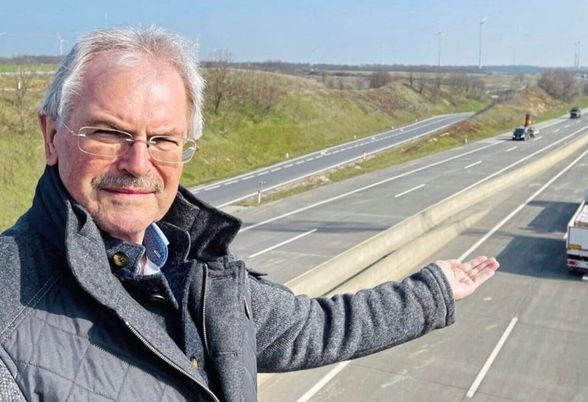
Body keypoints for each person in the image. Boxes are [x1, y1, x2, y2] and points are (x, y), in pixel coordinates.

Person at [0, 26, 499, 402]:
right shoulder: (9, 313)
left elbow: (312, 328)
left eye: (163, 140)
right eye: (110, 133)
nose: (138, 163)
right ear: (51, 136)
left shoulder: (196, 270)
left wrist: (432, 292)